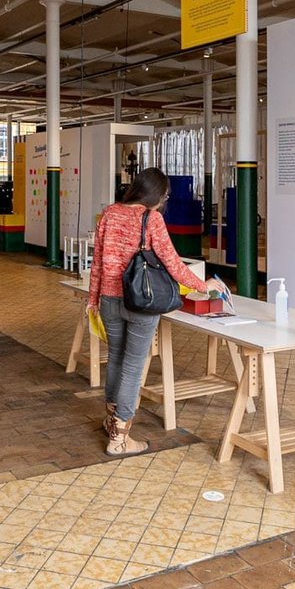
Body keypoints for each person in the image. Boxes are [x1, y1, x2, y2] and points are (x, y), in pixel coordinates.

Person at [87, 167, 228, 456]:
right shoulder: (152, 219)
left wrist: (93, 299)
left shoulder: (110, 213)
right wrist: (203, 284)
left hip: (110, 299)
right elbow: (173, 264)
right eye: (164, 196)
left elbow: (98, 261)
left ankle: (111, 420)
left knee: (115, 357)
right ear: (158, 195)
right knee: (133, 365)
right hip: (141, 300)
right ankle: (120, 438)